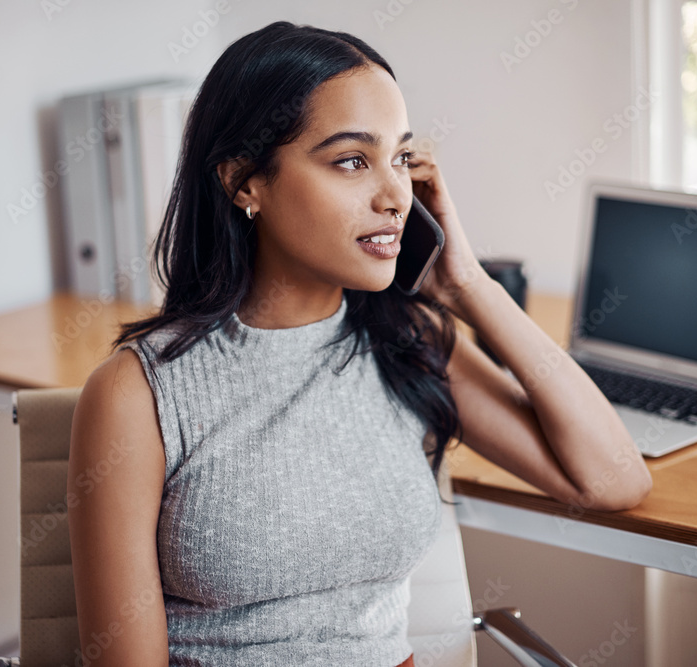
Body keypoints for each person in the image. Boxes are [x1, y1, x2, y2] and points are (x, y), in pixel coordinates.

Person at [67, 21, 652, 667]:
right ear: (244, 182)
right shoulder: (138, 393)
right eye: (351, 160)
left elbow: (613, 478)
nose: (394, 195)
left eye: (401, 158)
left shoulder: (408, 339)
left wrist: (470, 284)